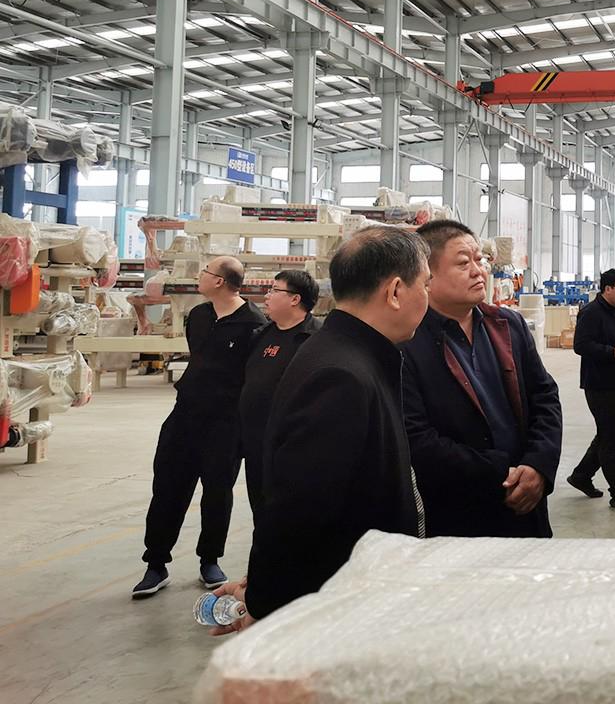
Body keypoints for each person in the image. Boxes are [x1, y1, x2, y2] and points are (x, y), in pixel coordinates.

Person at [227, 226, 432, 625]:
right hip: (343, 604)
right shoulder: (341, 375)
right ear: (395, 292)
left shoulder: (354, 354)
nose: (428, 295)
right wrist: (265, 603)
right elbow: (296, 510)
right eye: (425, 284)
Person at [401, 219, 562, 538]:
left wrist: (538, 465)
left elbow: (545, 396)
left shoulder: (508, 325)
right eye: (464, 263)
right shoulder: (408, 343)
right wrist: (499, 472)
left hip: (527, 503)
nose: (479, 271)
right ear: (428, 276)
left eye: (480, 260)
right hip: (458, 515)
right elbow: (416, 438)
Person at [133, 256, 265, 599]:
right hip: (185, 415)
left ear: (220, 281)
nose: (199, 276)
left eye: (205, 272)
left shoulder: (253, 324)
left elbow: (253, 377)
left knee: (217, 491)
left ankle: (210, 559)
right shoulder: (199, 315)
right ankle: (156, 563)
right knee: (167, 488)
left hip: (225, 421)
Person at [238, 270, 320, 518]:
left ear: (295, 299)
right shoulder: (261, 335)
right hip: (256, 444)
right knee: (260, 509)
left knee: (290, 513)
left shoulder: (316, 339)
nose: (267, 296)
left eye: (274, 290)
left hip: (293, 446)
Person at [566, 268, 615, 511]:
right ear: (607, 288)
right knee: (612, 439)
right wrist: (612, 353)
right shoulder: (591, 313)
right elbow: (581, 345)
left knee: (613, 433)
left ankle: (581, 475)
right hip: (601, 384)